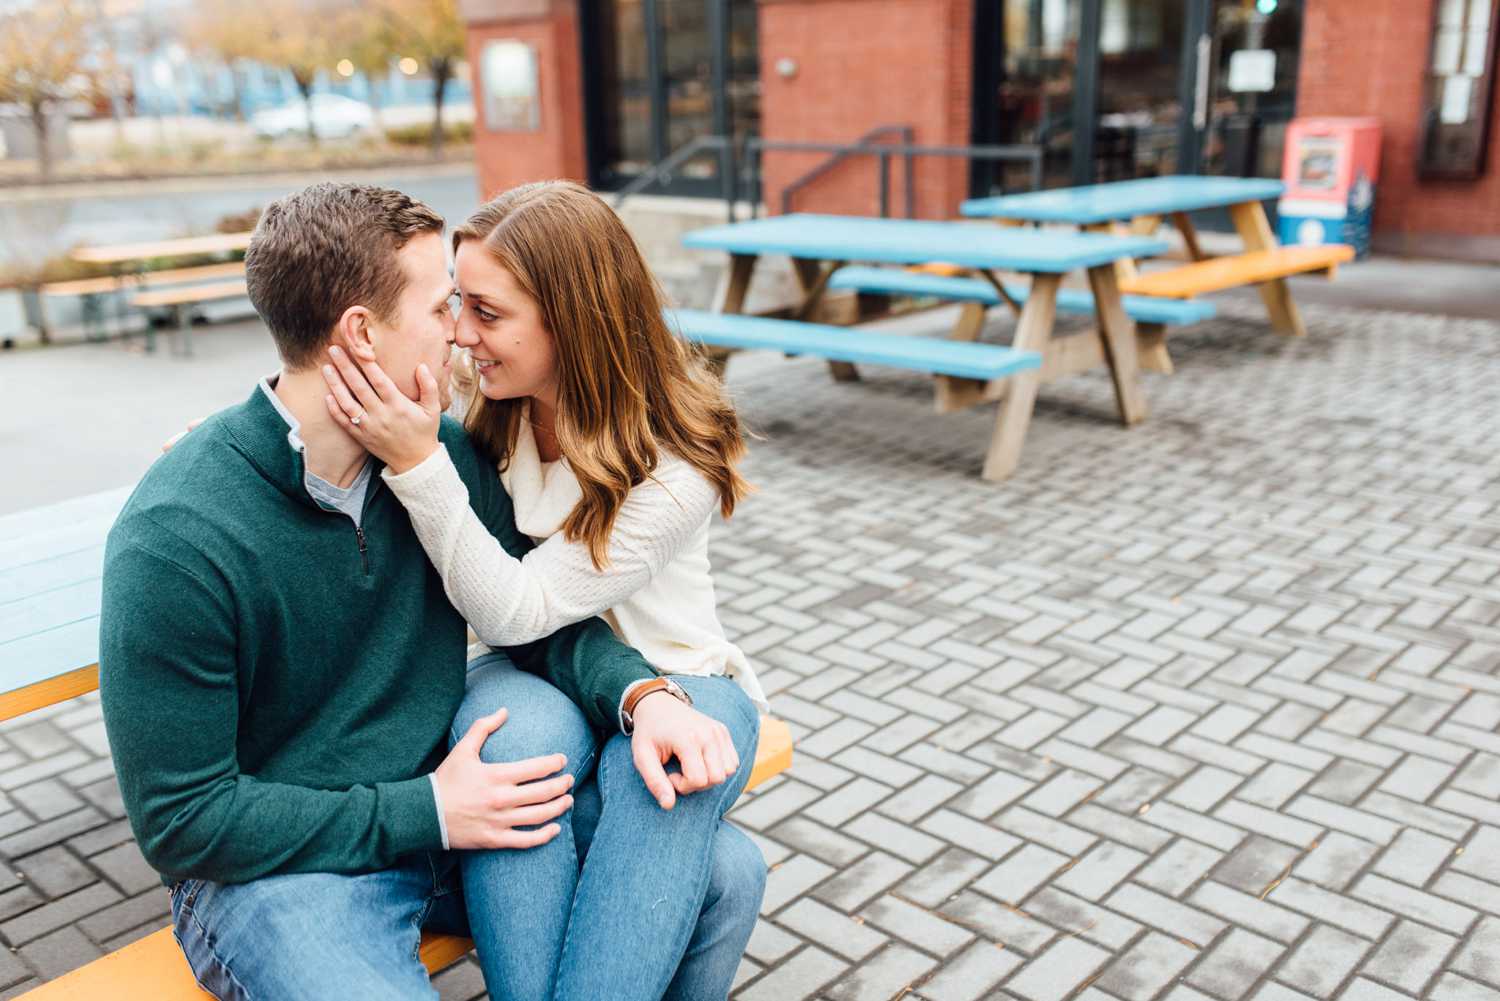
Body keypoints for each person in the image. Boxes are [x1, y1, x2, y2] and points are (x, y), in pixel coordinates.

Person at [101, 182, 763, 1001]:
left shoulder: (436, 456)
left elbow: (538, 623)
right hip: (289, 867)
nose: (460, 332)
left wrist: (642, 694)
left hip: (453, 811)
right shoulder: (176, 537)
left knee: (727, 871)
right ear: (358, 334)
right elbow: (183, 821)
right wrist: (430, 810)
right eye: (445, 306)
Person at [317, 179, 769, 1001]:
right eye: (458, 304)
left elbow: (518, 603)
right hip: (527, 668)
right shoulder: (496, 408)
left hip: (682, 678)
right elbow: (325, 404)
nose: (459, 334)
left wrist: (423, 467)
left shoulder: (674, 465)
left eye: (487, 314)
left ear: (573, 318)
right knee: (529, 752)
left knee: (659, 780)